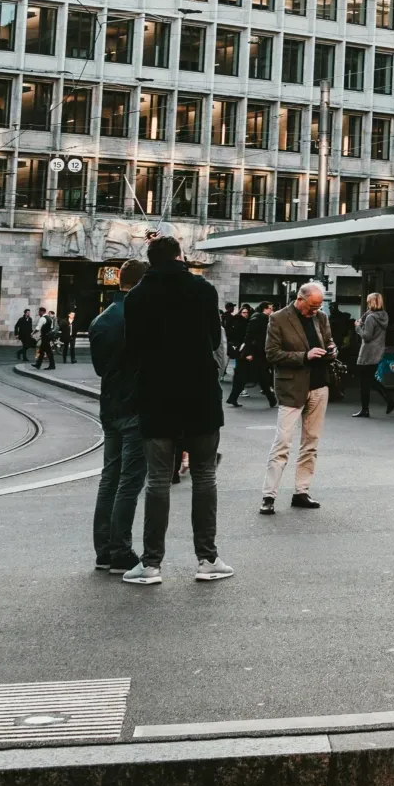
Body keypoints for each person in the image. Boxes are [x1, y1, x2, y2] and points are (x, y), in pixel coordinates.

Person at [119, 236, 230, 582]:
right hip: (199, 395)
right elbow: (214, 340)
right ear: (181, 256)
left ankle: (151, 564)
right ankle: (207, 560)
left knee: (157, 482)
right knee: (205, 476)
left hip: (157, 397)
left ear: (150, 260)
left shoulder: (137, 297)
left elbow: (133, 350)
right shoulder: (204, 290)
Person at [89, 261, 149, 573]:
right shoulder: (144, 319)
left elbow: (101, 368)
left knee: (110, 477)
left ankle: (104, 550)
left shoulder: (100, 320)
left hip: (109, 405)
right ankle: (121, 550)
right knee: (130, 481)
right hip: (136, 406)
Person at [262, 278, 334, 511]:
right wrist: (305, 356)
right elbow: (272, 354)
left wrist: (332, 350)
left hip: (319, 385)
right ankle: (268, 496)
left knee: (310, 442)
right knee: (282, 442)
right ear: (299, 299)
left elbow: (329, 341)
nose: (315, 310)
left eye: (318, 306)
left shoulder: (321, 318)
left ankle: (301, 492)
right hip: (292, 387)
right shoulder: (278, 318)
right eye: (312, 306)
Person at [354, 292, 394, 419]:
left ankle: (366, 408)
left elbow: (367, 336)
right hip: (377, 351)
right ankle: (388, 400)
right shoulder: (383, 315)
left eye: (368, 301)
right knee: (369, 380)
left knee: (365, 382)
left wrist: (357, 328)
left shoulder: (371, 318)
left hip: (367, 352)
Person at [229, 302, 278, 407]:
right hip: (255, 353)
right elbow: (249, 336)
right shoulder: (258, 319)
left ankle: (271, 399)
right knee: (261, 376)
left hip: (257, 353)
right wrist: (249, 352)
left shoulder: (260, 318)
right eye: (270, 308)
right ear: (265, 309)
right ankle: (272, 400)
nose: (272, 310)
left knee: (256, 376)